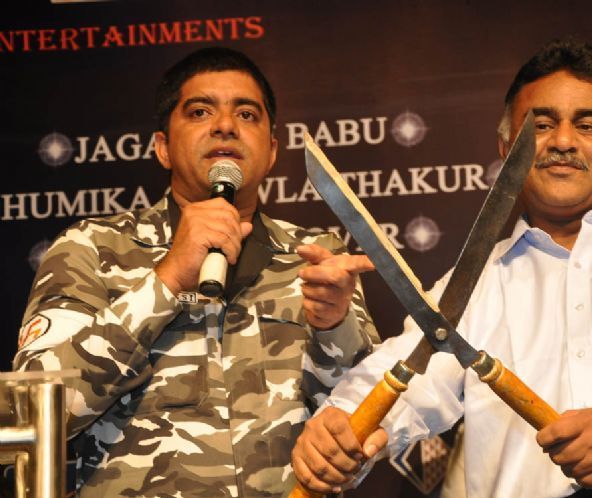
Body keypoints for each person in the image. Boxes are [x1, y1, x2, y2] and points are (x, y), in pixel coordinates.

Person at [290, 38, 592, 497]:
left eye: (587, 125)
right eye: (541, 125)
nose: (563, 141)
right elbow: (410, 371)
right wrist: (342, 424)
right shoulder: (473, 286)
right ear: (506, 147)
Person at [13, 46, 380, 498]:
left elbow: (366, 430)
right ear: (163, 147)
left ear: (271, 152)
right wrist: (165, 280)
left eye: (247, 114)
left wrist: (335, 328)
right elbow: (33, 415)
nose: (226, 125)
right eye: (201, 111)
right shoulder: (91, 247)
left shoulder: (316, 259)